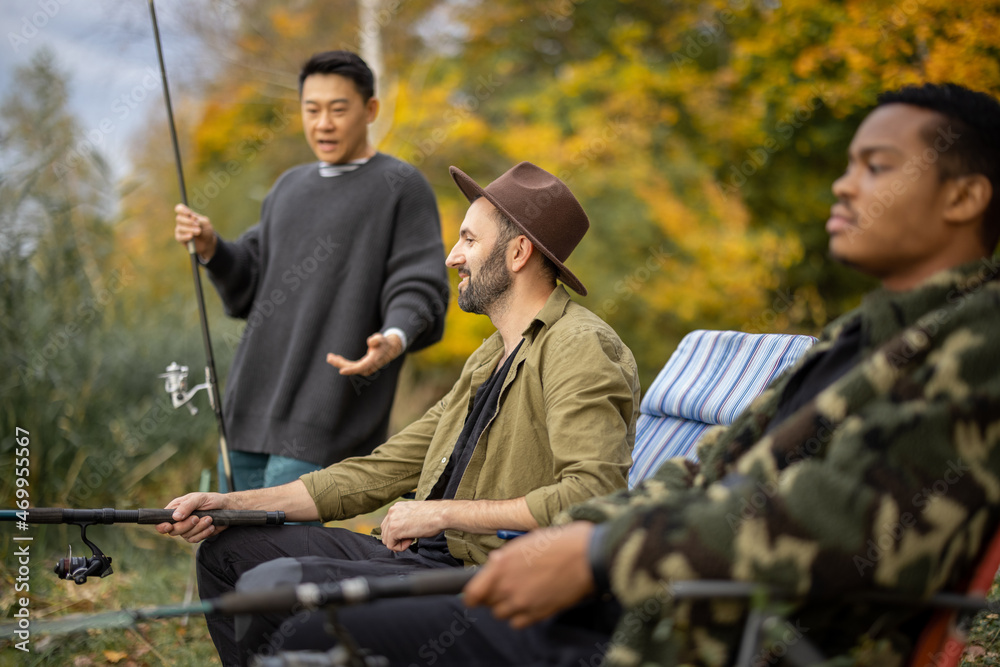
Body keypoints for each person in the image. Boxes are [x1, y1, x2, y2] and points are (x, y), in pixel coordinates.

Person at [308, 82, 1000, 667]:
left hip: (702, 638)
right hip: (637, 609)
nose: (844, 184)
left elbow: (835, 519)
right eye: (849, 164)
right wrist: (571, 542)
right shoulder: (860, 339)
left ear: (964, 197)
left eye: (876, 166)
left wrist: (599, 548)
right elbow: (702, 469)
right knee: (299, 603)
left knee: (312, 626)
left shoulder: (977, 346)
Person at [157, 161, 641, 666]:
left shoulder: (579, 347)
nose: (453, 257)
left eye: (469, 241)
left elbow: (593, 494)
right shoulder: (490, 356)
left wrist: (441, 513)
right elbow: (384, 468)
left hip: (485, 578)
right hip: (419, 562)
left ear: (518, 253)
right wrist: (230, 505)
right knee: (226, 552)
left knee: (277, 590)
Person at [172, 50, 449, 492]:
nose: (323, 123)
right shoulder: (288, 187)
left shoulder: (400, 186)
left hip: (325, 414)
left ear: (370, 110)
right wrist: (211, 247)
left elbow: (420, 282)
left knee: (286, 550)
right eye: (312, 109)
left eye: (338, 110)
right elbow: (250, 278)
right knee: (231, 548)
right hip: (248, 408)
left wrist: (394, 337)